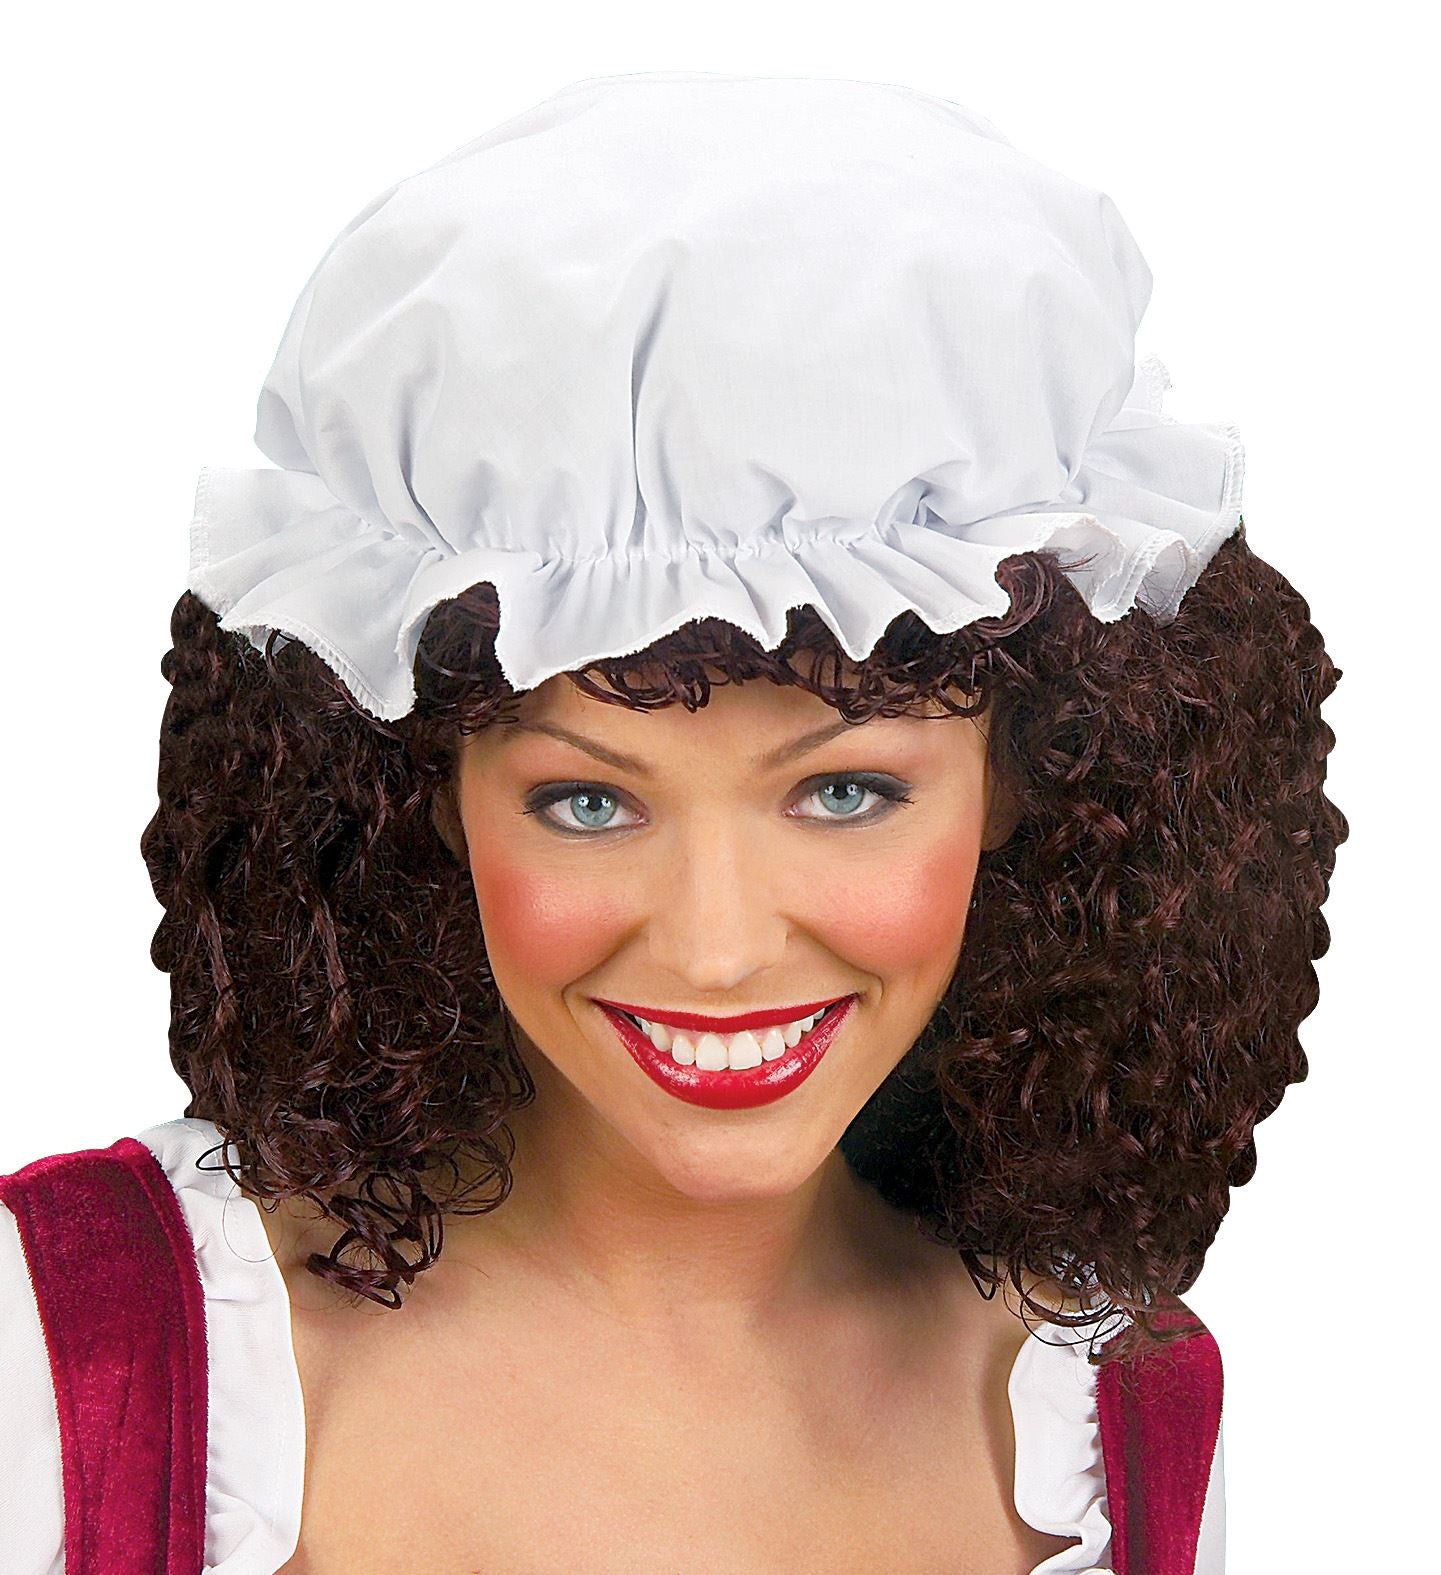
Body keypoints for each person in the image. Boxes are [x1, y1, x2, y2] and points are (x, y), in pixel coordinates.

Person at [0, 72, 1345, 1573]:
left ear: (1034, 782)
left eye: (845, 792)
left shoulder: (1117, 1416)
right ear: (417, 800)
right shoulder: (79, 1350)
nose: (713, 951)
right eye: (586, 800)